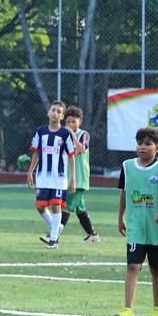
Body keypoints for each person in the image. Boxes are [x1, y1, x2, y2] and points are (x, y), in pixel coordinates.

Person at [115, 127, 158, 316]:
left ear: (157, 147)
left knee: (156, 268)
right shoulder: (127, 166)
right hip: (136, 226)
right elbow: (124, 193)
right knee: (133, 265)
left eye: (148, 144)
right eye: (140, 143)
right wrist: (120, 217)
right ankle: (128, 310)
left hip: (157, 228)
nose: (142, 147)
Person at [26, 100, 76, 248]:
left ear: (62, 116)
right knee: (40, 207)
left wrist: (73, 178)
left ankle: (53, 239)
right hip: (43, 177)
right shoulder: (40, 132)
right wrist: (30, 172)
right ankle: (57, 226)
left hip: (59, 177)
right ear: (48, 112)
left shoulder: (65, 134)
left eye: (59, 112)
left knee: (56, 205)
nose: (55, 113)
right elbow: (36, 153)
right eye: (53, 110)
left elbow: (72, 156)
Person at [61, 105, 100, 243]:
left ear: (80, 122)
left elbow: (80, 149)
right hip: (67, 177)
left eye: (73, 121)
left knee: (65, 206)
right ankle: (93, 235)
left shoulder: (83, 134)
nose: (70, 124)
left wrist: (71, 134)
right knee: (80, 209)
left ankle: (53, 235)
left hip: (78, 178)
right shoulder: (62, 136)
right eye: (68, 122)